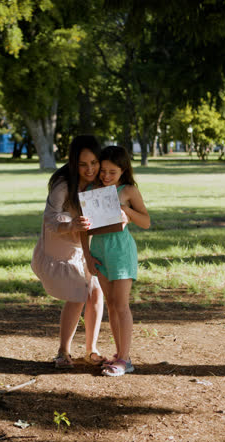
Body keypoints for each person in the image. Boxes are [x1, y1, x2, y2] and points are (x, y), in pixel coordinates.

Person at [31, 135, 106, 368]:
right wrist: (71, 224)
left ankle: (91, 349)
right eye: (83, 164)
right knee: (77, 293)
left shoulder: (99, 182)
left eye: (94, 162)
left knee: (95, 292)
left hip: (83, 244)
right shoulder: (63, 184)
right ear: (74, 163)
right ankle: (63, 352)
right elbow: (50, 219)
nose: (90, 169)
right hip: (60, 245)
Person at [81, 145, 150, 376]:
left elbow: (146, 222)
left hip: (121, 252)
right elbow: (84, 227)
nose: (106, 176)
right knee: (111, 305)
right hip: (99, 253)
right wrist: (87, 256)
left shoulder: (128, 190)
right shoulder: (92, 190)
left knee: (121, 305)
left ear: (123, 170)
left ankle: (125, 359)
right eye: (104, 171)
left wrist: (126, 211)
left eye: (113, 172)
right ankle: (119, 354)